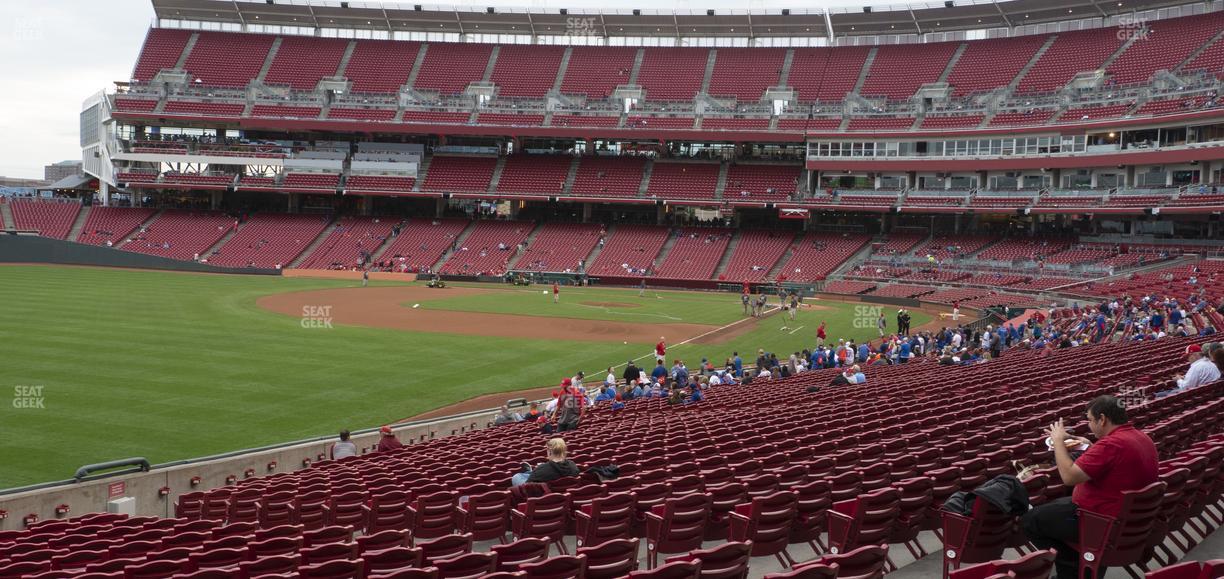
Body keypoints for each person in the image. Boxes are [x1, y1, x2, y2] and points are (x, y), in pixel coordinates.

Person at [1021, 396, 1158, 579]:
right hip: (1125, 517)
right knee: (1055, 507)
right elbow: (1112, 462)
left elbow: (1069, 477)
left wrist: (1058, 443)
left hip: (1100, 521)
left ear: (1102, 419)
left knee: (1031, 520)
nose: (1089, 425)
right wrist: (1091, 446)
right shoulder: (1140, 437)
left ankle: (1073, 568)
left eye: (1091, 420)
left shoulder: (1112, 444)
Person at [513, 438, 580, 486]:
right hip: (563, 496)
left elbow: (527, 485)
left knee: (516, 477)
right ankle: (529, 472)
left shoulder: (542, 469)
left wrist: (539, 469)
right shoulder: (573, 465)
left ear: (550, 451)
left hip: (543, 498)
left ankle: (530, 472)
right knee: (533, 473)